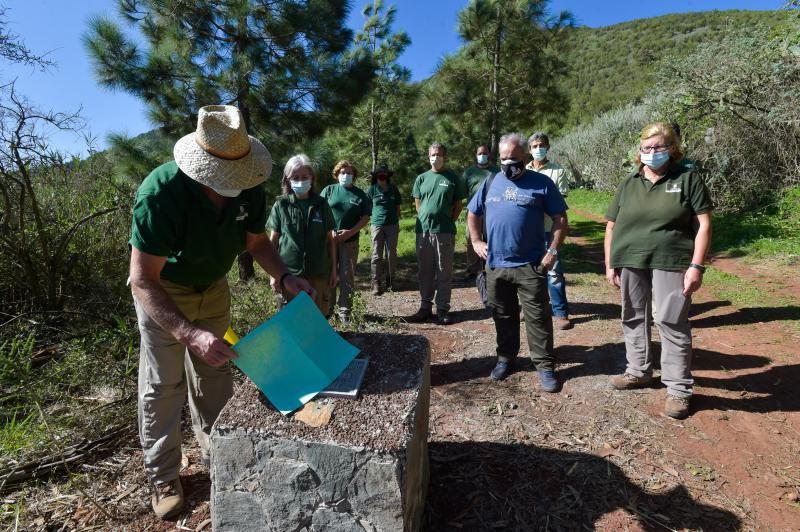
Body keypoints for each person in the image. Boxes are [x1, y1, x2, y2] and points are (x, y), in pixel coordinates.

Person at [129, 105, 312, 519]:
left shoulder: (249, 184)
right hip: (164, 290)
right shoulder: (161, 194)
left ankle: (219, 456)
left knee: (215, 375)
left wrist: (285, 277)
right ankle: (163, 474)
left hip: (213, 287)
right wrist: (188, 333)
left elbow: (258, 244)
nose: (229, 186)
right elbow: (142, 279)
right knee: (163, 385)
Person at [605, 122, 712, 420]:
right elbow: (611, 226)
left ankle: (678, 389)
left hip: (672, 259)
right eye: (646, 148)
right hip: (630, 259)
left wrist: (696, 266)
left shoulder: (688, 179)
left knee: (670, 320)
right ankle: (638, 371)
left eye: (659, 147)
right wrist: (610, 262)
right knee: (632, 314)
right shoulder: (629, 182)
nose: (652, 153)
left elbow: (703, 225)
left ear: (672, 149)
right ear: (639, 152)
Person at [467, 132, 568, 392]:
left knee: (538, 318)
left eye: (513, 158)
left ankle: (545, 366)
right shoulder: (490, 181)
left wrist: (552, 252)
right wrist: (477, 241)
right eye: (503, 158)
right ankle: (506, 358)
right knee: (503, 314)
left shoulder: (541, 183)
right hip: (496, 264)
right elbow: (473, 213)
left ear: (525, 156)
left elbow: (560, 219)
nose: (508, 164)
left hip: (530, 264)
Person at [267, 154, 337, 317]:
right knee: (292, 319)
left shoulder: (321, 204)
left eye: (304, 176)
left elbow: (330, 239)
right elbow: (273, 241)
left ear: (312, 178)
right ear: (288, 180)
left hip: (319, 272)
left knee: (318, 318)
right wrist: (274, 274)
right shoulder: (281, 205)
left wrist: (334, 270)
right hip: (289, 274)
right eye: (295, 177)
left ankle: (319, 343)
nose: (300, 181)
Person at [407, 142, 467, 325]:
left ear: (445, 156)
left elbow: (458, 205)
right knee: (425, 271)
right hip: (423, 232)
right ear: (428, 156)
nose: (436, 157)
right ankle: (425, 307)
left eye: (439, 154)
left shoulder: (452, 178)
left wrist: (448, 221)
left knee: (444, 272)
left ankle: (442, 309)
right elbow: (418, 204)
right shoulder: (421, 178)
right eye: (433, 154)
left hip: (444, 232)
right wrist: (426, 217)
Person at [527, 132, 573, 330]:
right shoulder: (523, 169)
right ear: (529, 150)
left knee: (553, 272)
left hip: (549, 229)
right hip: (527, 230)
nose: (538, 149)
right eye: (535, 146)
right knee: (528, 271)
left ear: (548, 147)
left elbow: (559, 203)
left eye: (542, 145)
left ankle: (561, 312)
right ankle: (531, 308)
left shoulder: (558, 171)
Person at [320, 160, 371, 323]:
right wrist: (328, 231)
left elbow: (365, 218)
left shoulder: (360, 194)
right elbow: (318, 212)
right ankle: (328, 309)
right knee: (329, 274)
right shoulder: (328, 191)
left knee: (347, 275)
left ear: (354, 176)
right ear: (336, 175)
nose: (346, 175)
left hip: (350, 241)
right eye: (342, 172)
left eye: (349, 173)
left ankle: (344, 312)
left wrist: (350, 232)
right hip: (329, 241)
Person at [461, 144, 498, 282]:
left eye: (485, 153)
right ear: (476, 155)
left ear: (489, 154)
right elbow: (462, 192)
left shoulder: (496, 171)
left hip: (492, 212)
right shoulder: (469, 172)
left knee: (491, 239)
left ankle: (491, 266)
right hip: (473, 213)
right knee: (472, 240)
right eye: (480, 153)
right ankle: (472, 269)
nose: (482, 155)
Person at [367, 163, 402, 295]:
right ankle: (375, 282)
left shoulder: (393, 189)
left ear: (387, 176)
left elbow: (398, 207)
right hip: (376, 225)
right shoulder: (372, 190)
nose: (382, 176)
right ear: (376, 176)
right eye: (379, 174)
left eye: (384, 174)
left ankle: (391, 281)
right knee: (376, 254)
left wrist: (397, 223)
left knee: (391, 253)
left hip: (392, 225)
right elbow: (367, 207)